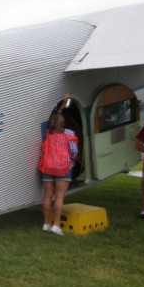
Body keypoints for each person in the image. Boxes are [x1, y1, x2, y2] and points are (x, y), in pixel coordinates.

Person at [39, 94, 79, 235]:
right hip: (63, 168)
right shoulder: (69, 133)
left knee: (47, 196)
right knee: (59, 197)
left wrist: (61, 106)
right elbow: (74, 151)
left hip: (47, 167)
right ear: (63, 123)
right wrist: (72, 161)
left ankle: (45, 223)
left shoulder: (48, 133)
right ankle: (56, 225)